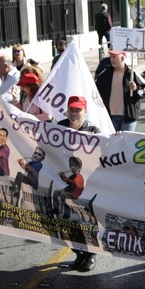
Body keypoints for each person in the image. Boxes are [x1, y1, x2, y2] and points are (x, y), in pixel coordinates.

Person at [56, 95, 101, 272]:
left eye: (78, 109)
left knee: (84, 222)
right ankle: (79, 254)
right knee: (65, 223)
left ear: (85, 111)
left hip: (85, 186)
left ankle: (90, 255)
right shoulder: (58, 127)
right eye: (71, 109)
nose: (74, 113)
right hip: (65, 185)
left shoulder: (94, 131)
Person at [96, 50, 145, 132]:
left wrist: (136, 89)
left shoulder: (132, 73)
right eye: (111, 57)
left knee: (126, 142)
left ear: (122, 58)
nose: (111, 59)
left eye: (114, 57)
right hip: (111, 116)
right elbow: (95, 87)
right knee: (113, 143)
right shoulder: (106, 72)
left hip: (128, 117)